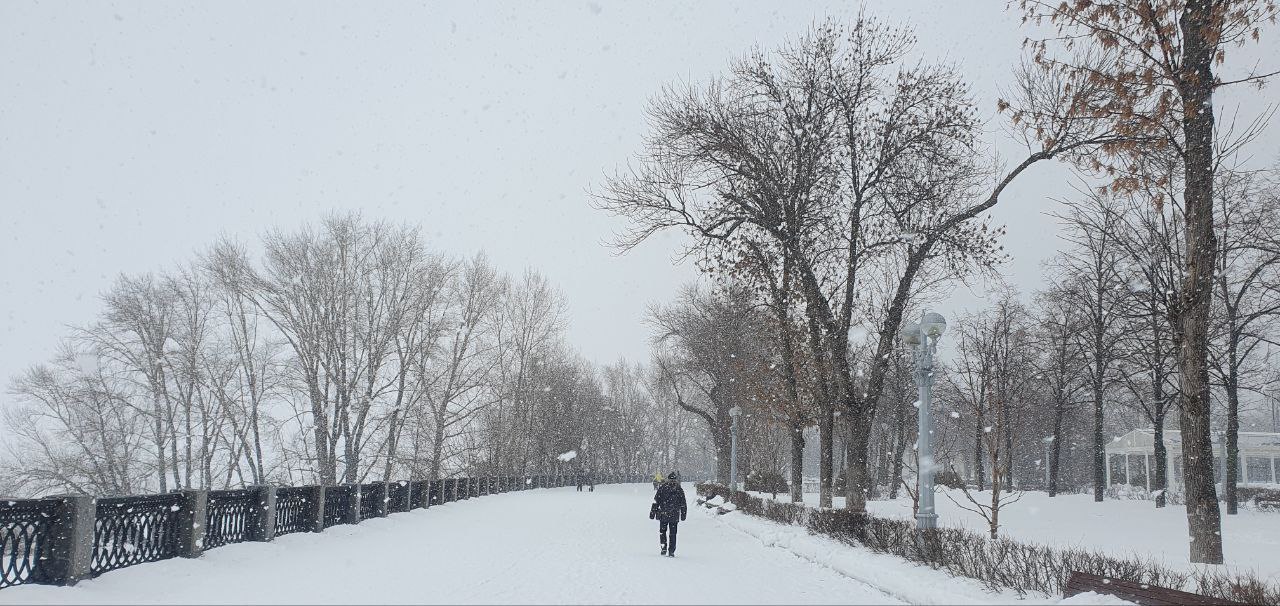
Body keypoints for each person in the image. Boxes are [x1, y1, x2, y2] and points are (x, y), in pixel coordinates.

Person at [651, 470, 687, 557]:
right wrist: (683, 514)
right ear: (676, 479)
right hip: (674, 515)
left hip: (663, 514)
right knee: (673, 534)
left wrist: (653, 513)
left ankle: (663, 548)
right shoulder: (679, 489)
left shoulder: (662, 488)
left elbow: (656, 501)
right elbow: (683, 503)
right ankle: (671, 551)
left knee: (662, 532)